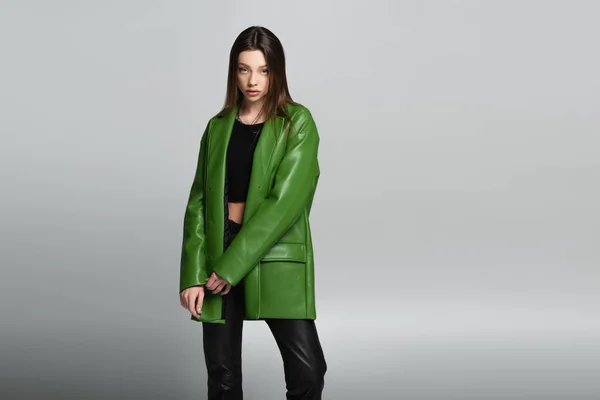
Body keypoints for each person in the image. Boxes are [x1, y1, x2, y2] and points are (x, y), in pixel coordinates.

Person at [178, 26, 327, 400]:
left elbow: (285, 205)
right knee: (223, 376)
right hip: (219, 247)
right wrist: (193, 275)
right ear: (234, 72)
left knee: (308, 371)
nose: (253, 80)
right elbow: (198, 203)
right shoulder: (217, 128)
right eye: (244, 69)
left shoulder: (297, 123)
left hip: (271, 251)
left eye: (263, 70)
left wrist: (231, 267)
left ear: (276, 71)